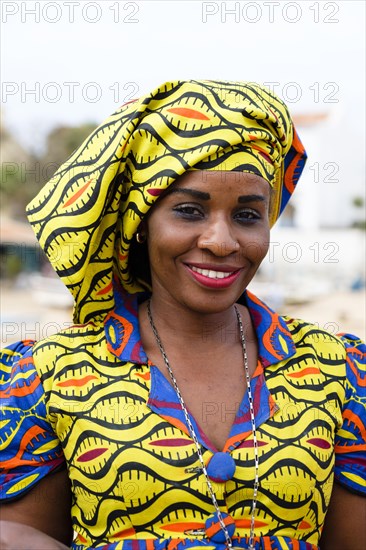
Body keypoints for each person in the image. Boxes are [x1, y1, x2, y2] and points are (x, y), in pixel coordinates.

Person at [1, 80, 365, 550]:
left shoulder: (339, 370)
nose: (221, 241)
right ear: (140, 222)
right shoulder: (49, 377)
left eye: (248, 215)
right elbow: (22, 535)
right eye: (190, 211)